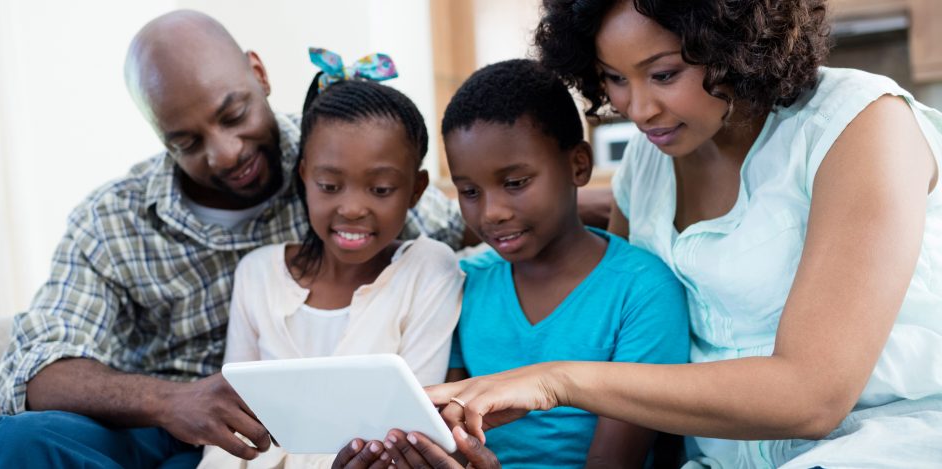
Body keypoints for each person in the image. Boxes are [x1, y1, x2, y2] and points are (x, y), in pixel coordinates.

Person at [424, 0, 942, 467]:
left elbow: (813, 397)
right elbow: (609, 285)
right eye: (615, 79)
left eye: (664, 74)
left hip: (877, 442)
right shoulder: (647, 163)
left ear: (738, 44)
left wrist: (556, 380)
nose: (638, 109)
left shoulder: (860, 124)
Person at [0, 11, 466, 468]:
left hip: (269, 444)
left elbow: (472, 228)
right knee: (20, 441)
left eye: (234, 115)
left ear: (259, 74)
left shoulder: (341, 156)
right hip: (154, 428)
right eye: (187, 142)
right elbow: (32, 369)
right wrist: (170, 402)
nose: (225, 154)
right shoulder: (112, 219)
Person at [335, 59, 690, 468]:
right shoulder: (466, 282)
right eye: (469, 190)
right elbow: (446, 436)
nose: (491, 213)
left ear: (578, 165)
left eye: (515, 183)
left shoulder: (643, 290)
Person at [196, 52, 464, 469]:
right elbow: (231, 429)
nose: (353, 208)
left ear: (416, 190)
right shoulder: (258, 274)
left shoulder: (430, 270)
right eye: (329, 185)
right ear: (304, 176)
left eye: (380, 189)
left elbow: (411, 432)